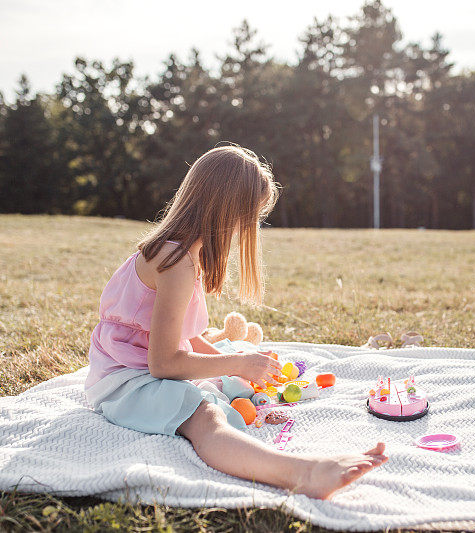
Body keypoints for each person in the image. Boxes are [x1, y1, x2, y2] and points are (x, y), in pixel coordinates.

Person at [84, 145, 387, 499]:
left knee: (225, 366)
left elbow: (185, 337)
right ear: (227, 213)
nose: (249, 230)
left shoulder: (179, 253)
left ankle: (303, 468)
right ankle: (304, 474)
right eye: (250, 219)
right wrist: (238, 362)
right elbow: (163, 362)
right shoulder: (175, 262)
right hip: (124, 381)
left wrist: (231, 370)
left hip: (132, 368)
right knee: (206, 419)